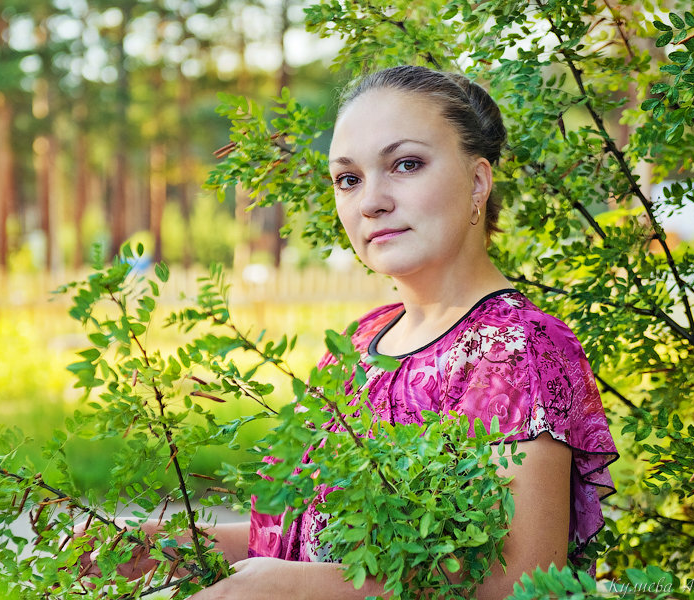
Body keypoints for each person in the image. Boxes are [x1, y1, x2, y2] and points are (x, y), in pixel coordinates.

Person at [81, 65, 619, 600]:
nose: (371, 201)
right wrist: (164, 545)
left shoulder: (517, 351)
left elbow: (523, 584)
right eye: (349, 178)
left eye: (406, 164)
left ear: (478, 180)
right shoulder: (360, 346)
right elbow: (312, 547)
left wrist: (295, 592)